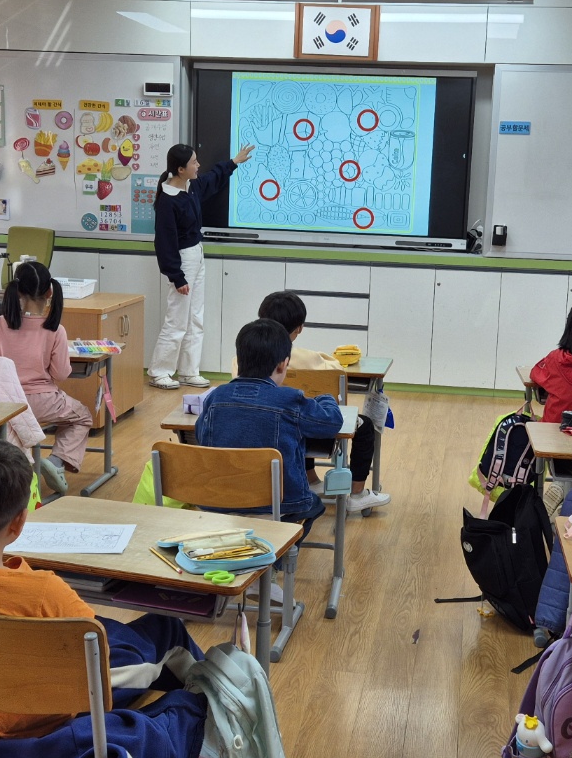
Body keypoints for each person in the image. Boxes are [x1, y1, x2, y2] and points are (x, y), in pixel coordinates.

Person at [0, 437, 202, 738]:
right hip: (54, 713)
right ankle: (209, 697)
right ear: (19, 523)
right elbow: (97, 652)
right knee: (167, 630)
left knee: (120, 632)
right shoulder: (43, 591)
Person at [195, 319, 343, 537]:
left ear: (240, 360)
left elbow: (200, 435)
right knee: (314, 503)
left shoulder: (216, 396)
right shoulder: (290, 399)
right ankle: (284, 552)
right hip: (278, 506)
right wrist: (326, 397)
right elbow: (331, 422)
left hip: (217, 501)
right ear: (283, 365)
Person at [255, 290, 390, 513]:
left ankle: (311, 480)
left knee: (294, 418)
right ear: (299, 328)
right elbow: (337, 373)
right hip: (311, 430)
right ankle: (356, 494)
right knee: (362, 425)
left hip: (265, 429)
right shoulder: (309, 357)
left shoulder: (245, 358)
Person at [148, 141, 255, 390]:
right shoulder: (168, 200)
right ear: (180, 169)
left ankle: (188, 370)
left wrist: (233, 163)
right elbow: (165, 242)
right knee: (177, 319)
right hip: (183, 260)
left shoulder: (191, 186)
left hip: (197, 253)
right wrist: (177, 276)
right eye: (194, 162)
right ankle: (159, 372)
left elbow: (212, 178)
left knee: (195, 317)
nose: (198, 165)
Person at [0, 260, 91, 487]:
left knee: (11, 427)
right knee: (82, 416)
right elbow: (61, 374)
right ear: (50, 292)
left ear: (17, 291)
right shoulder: (55, 329)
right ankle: (56, 461)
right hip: (43, 402)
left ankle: (18, 468)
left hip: (6, 403)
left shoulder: (0, 324)